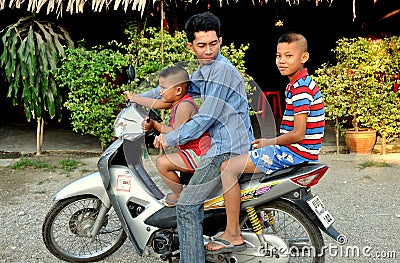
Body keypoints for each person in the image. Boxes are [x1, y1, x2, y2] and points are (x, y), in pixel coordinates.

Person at [137, 12, 255, 263]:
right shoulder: (207, 70)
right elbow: (180, 88)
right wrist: (135, 98)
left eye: (213, 43)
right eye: (201, 45)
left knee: (187, 207)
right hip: (224, 143)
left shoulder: (220, 71)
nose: (208, 50)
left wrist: (169, 138)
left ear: (220, 41)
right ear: (191, 46)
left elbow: (206, 118)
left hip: (227, 147)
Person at [205, 32, 325, 252]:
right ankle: (254, 219)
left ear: (304, 57)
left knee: (227, 168)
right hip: (300, 151)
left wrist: (270, 142)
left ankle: (232, 232)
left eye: (289, 56)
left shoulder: (300, 90)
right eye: (279, 56)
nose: (282, 61)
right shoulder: (301, 83)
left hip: (295, 151)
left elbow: (298, 133)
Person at [124, 66, 210, 207]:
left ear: (178, 90)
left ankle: (180, 196)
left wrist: (156, 126)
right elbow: (155, 103)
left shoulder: (184, 106)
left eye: (163, 88)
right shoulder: (176, 101)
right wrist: (134, 99)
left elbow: (176, 134)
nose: (160, 91)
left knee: (162, 163)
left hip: (200, 154)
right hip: (193, 151)